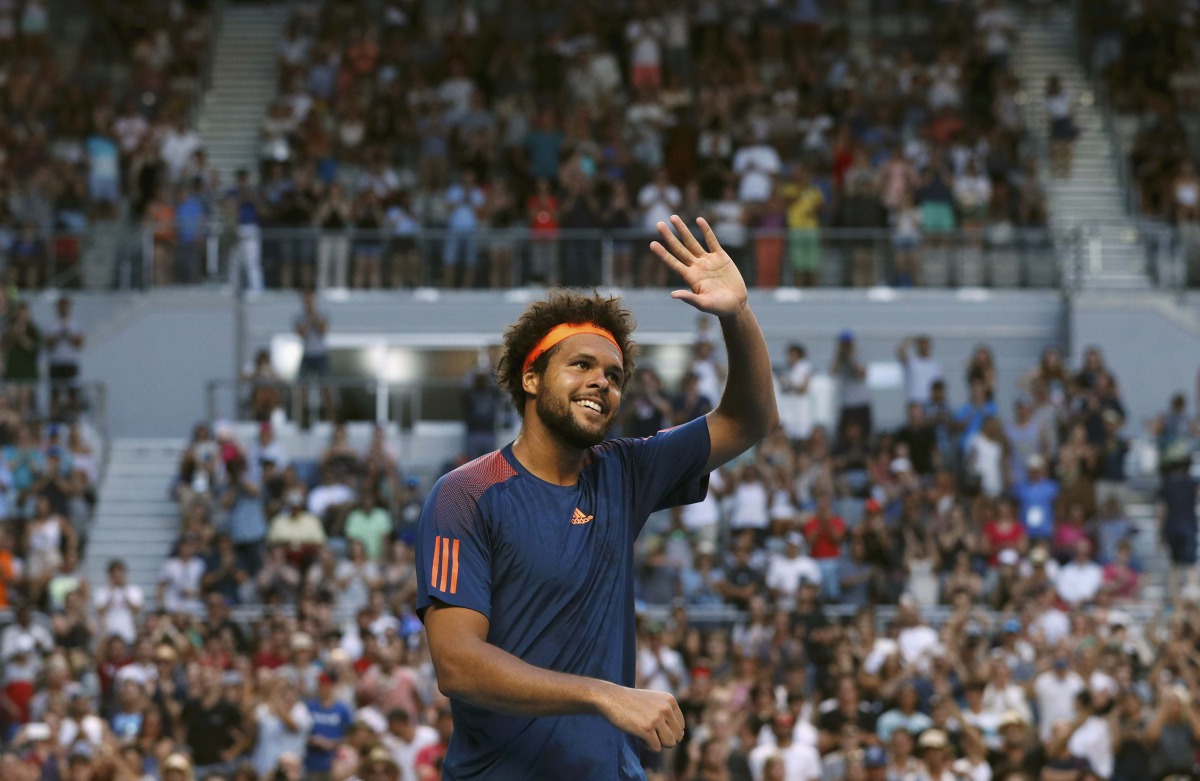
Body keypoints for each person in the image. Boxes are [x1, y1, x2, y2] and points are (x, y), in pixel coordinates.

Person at [416, 215, 777, 777]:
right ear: (531, 379)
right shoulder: (465, 493)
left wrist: (739, 316)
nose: (602, 382)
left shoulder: (624, 471)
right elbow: (458, 665)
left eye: (613, 375)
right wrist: (605, 695)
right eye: (581, 365)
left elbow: (749, 420)